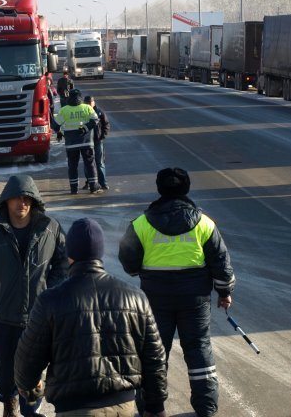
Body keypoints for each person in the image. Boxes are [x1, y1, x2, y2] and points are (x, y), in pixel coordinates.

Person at [15, 218, 169, 417]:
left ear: (70, 253)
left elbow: (28, 357)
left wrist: (28, 388)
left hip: (74, 409)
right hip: (123, 407)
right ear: (100, 252)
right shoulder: (135, 297)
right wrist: (155, 406)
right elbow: (155, 356)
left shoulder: (51, 300)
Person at [118, 167, 235, 417]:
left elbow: (128, 262)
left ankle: (153, 407)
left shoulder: (141, 224)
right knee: (199, 349)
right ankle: (205, 408)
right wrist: (224, 292)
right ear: (186, 189)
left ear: (160, 189)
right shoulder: (204, 223)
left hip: (155, 300)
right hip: (195, 300)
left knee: (155, 353)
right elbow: (221, 262)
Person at [0, 174, 68, 417]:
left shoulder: (49, 228)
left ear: (34, 201)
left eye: (27, 198)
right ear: (6, 201)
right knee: (4, 369)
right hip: (3, 318)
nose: (22, 203)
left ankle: (30, 408)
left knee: (35, 368)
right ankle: (9, 401)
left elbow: (63, 263)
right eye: (16, 198)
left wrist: (49, 295)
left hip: (39, 318)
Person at [55, 88, 103, 194]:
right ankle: (93, 186)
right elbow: (95, 120)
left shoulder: (64, 110)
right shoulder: (87, 107)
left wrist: (59, 132)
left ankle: (74, 188)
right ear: (80, 97)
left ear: (69, 98)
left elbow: (56, 124)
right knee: (90, 164)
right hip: (86, 142)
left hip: (71, 144)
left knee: (72, 166)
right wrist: (86, 128)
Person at [84, 95, 110, 190]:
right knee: (88, 163)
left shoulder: (99, 112)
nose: (89, 104)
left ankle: (103, 183)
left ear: (93, 102)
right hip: (86, 141)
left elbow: (106, 124)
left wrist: (102, 136)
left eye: (90, 102)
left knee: (99, 163)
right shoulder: (83, 112)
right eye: (87, 103)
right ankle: (89, 182)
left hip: (97, 141)